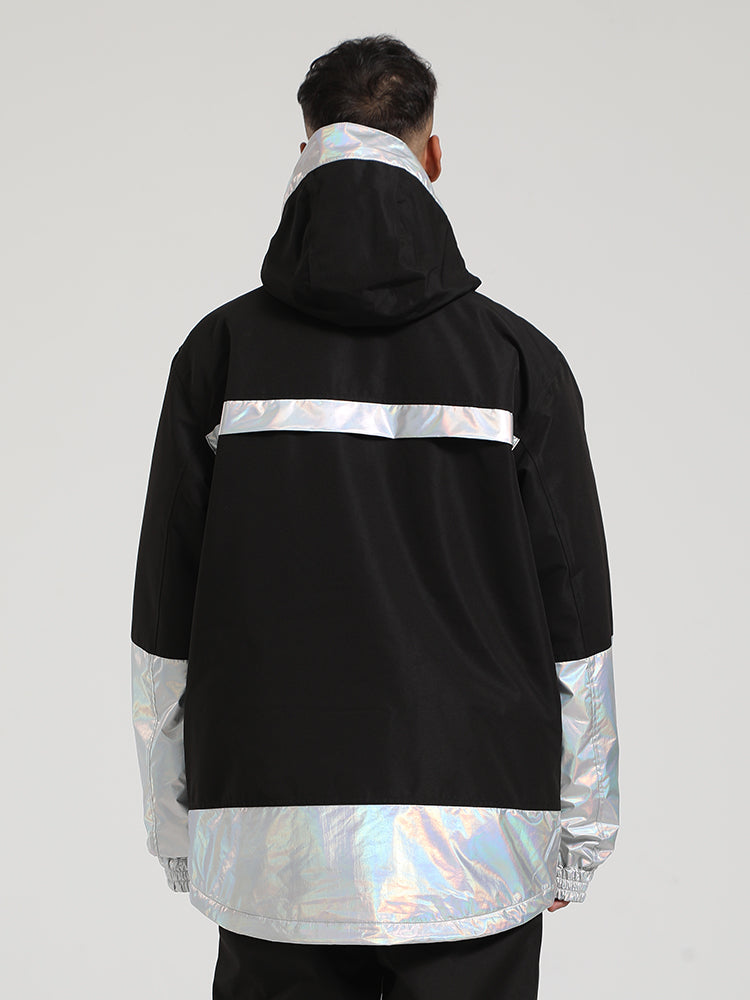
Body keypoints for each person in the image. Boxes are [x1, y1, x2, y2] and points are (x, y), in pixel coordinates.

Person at [130, 33, 620, 1000]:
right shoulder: (517, 361)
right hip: (479, 827)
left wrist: (176, 824)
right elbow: (576, 616)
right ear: (432, 155)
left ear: (303, 150)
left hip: (270, 828)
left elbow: (164, 615)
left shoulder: (221, 356)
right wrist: (583, 825)